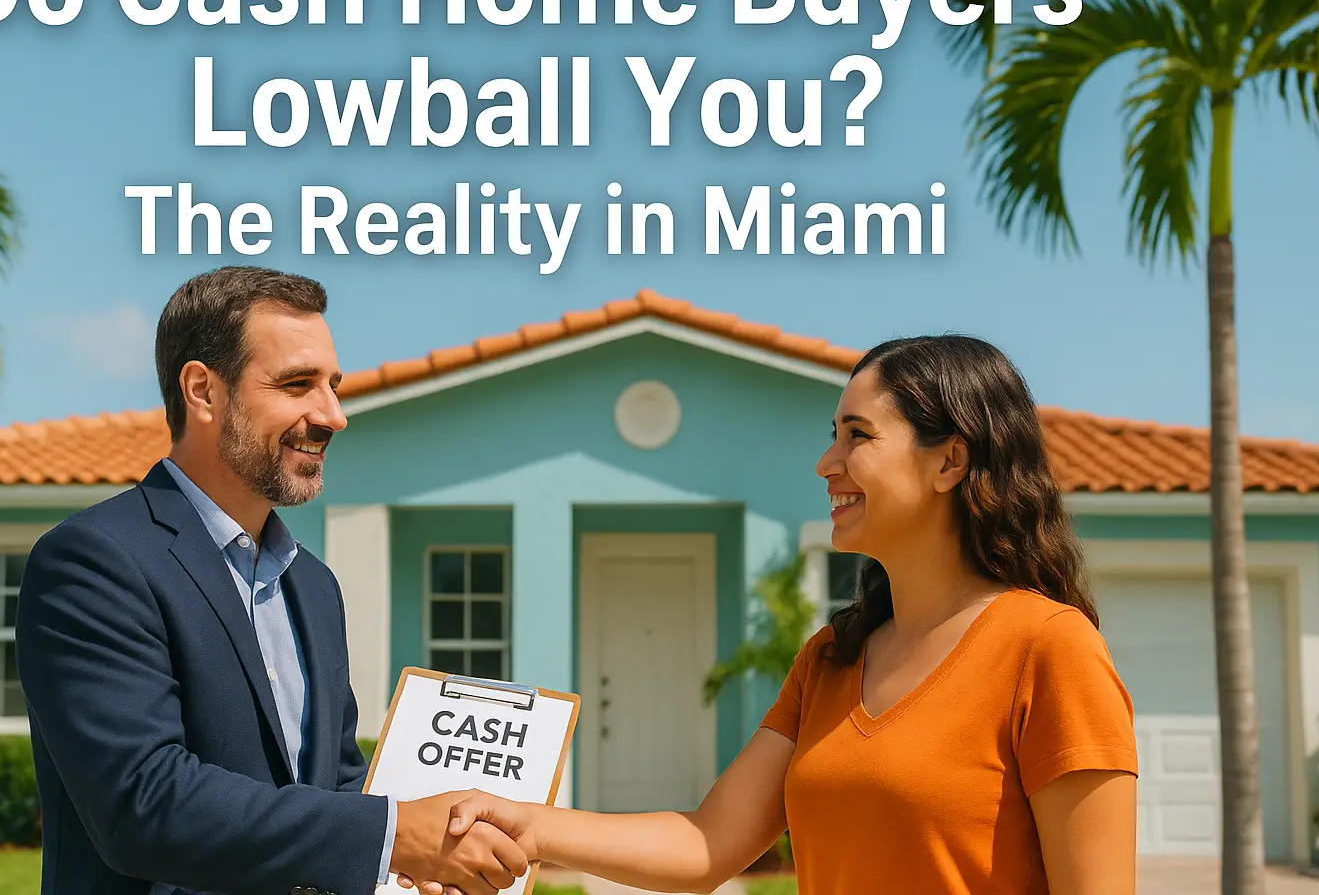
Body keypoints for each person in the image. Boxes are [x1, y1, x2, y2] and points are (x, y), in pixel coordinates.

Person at [410, 335, 1140, 895]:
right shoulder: (832, 658)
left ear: (950, 462)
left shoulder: (1049, 649)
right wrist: (529, 824)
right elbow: (706, 845)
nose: (827, 462)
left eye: (858, 436)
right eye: (833, 434)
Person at [16, 266, 528, 895]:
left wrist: (421, 860)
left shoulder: (314, 586)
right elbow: (142, 804)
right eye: (297, 385)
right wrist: (394, 836)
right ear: (203, 391)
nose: (333, 415)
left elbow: (333, 784)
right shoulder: (94, 561)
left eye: (333, 387)